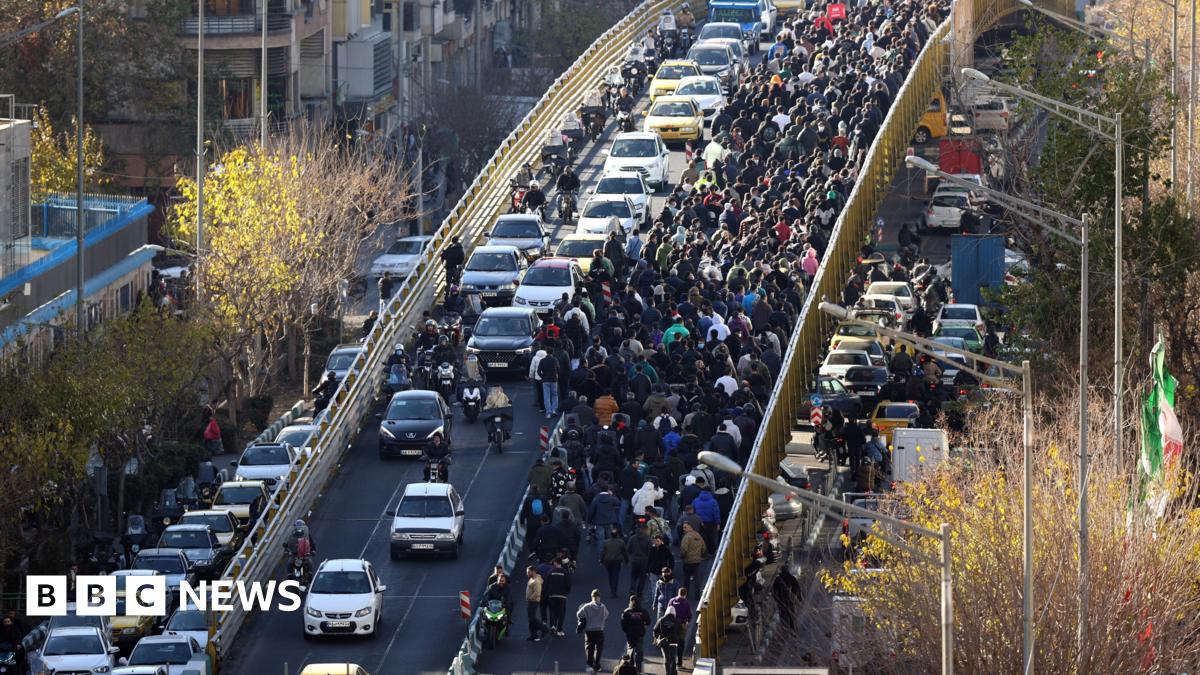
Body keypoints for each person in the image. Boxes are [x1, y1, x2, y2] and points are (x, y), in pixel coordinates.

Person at [576, 589, 610, 673]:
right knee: (599, 648)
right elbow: (606, 615)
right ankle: (597, 664)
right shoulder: (603, 607)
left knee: (589, 648)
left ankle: (590, 664)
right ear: (599, 597)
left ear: (592, 596)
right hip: (599, 630)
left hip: (589, 631)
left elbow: (579, 614)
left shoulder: (587, 606)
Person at [620, 594, 651, 671]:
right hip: (640, 634)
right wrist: (644, 624)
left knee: (630, 650)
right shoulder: (643, 611)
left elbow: (623, 624)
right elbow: (648, 621)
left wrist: (627, 631)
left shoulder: (626, 612)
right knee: (639, 651)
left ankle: (631, 668)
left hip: (630, 635)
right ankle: (639, 669)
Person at [544, 558, 572, 635]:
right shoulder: (565, 572)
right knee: (561, 613)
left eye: (554, 563)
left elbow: (546, 584)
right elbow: (569, 584)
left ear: (556, 563)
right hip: (562, 596)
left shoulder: (550, 572)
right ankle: (559, 629)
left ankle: (553, 626)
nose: (553, 564)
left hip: (552, 595)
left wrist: (547, 593)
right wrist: (566, 593)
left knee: (552, 611)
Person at [679, 521, 706, 598]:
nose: (683, 529)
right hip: (697, 560)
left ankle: (685, 595)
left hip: (688, 561)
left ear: (690, 527)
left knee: (686, 579)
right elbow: (704, 548)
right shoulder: (698, 535)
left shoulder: (686, 537)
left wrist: (681, 556)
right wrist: (699, 555)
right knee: (696, 578)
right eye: (683, 527)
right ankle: (697, 595)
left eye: (685, 527)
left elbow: (684, 550)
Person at [601, 525, 628, 599]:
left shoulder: (606, 542)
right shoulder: (621, 542)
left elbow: (603, 552)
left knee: (610, 575)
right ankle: (614, 590)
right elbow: (624, 552)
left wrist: (601, 560)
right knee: (615, 575)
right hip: (617, 561)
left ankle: (612, 588)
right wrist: (626, 560)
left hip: (608, 561)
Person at [525, 565, 550, 641]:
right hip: (530, 601)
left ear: (533, 571)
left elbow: (537, 592)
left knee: (532, 619)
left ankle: (544, 629)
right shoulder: (532, 579)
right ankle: (533, 635)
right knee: (530, 619)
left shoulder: (536, 581)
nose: (527, 574)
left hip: (533, 601)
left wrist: (530, 598)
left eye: (528, 572)